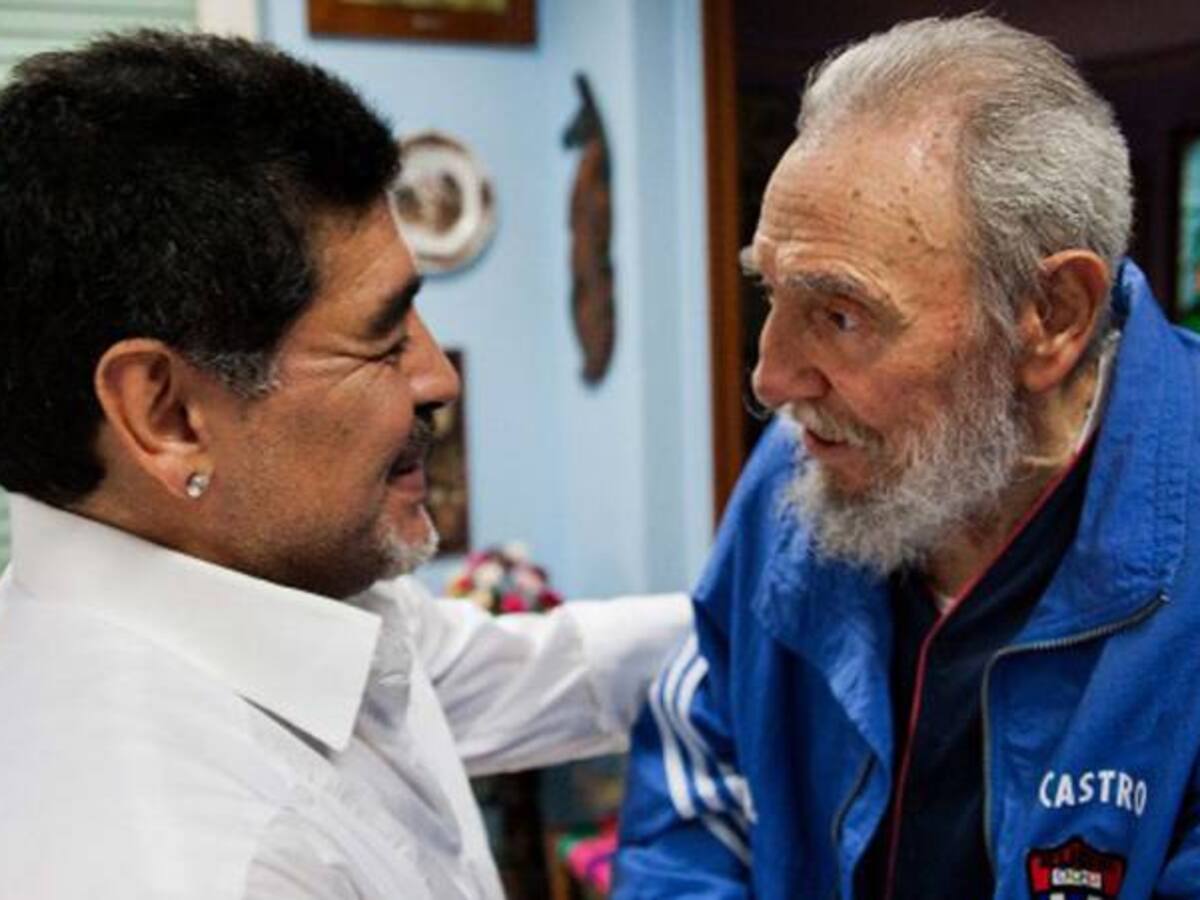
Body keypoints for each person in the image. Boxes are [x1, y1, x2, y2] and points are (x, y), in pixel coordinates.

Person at [0, 31, 689, 899]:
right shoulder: (200, 864)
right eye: (382, 339)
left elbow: (539, 671)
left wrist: (786, 602)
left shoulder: (278, 586)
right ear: (167, 415)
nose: (439, 379)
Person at [616, 14, 1200, 899]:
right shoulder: (798, 471)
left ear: (1051, 316)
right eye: (772, 293)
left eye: (840, 315)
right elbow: (699, 783)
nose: (770, 380)